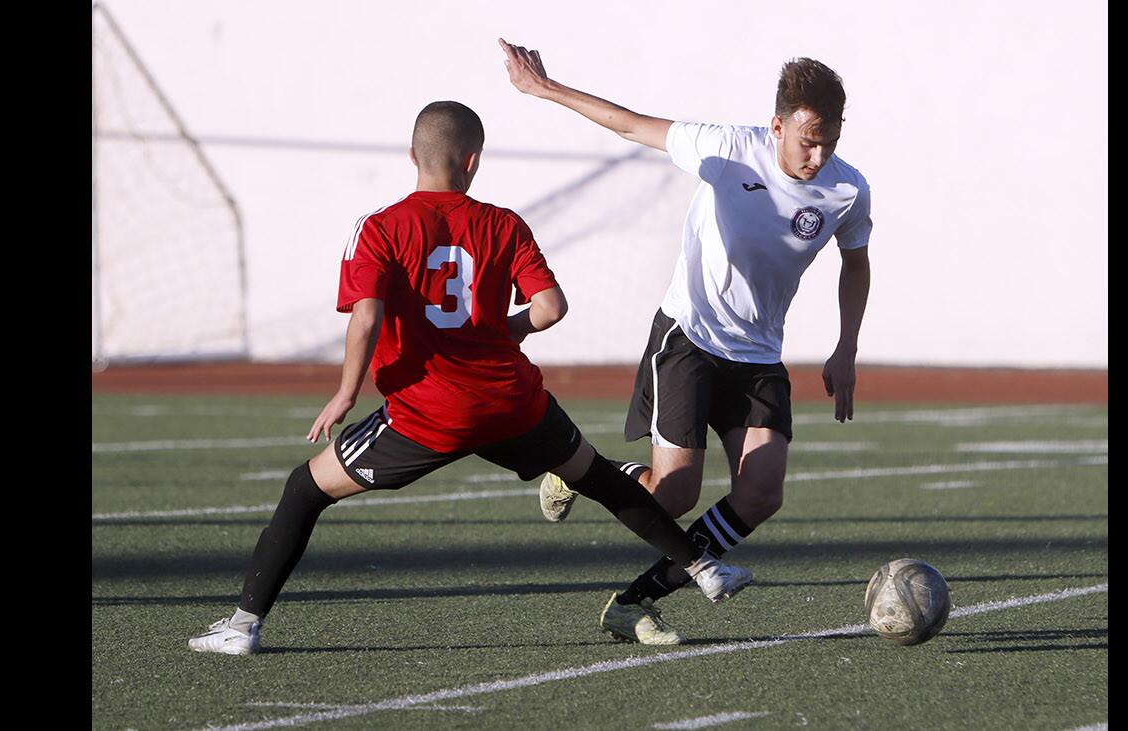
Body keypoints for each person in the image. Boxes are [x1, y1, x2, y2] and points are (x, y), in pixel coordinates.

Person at [188, 101, 752, 655]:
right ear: (474, 161)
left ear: (412, 154)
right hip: (513, 402)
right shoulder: (503, 223)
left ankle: (243, 625)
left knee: (304, 489)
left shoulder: (380, 226)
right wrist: (504, 333)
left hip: (428, 413)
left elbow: (366, 314)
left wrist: (345, 392)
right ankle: (702, 566)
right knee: (598, 477)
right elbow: (551, 307)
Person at [500, 39, 872, 644]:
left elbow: (856, 265)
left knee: (762, 492)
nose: (818, 153)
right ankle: (578, 471)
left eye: (830, 139)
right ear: (776, 125)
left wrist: (846, 347)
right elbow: (628, 124)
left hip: (758, 357)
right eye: (807, 139)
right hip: (690, 340)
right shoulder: (727, 148)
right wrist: (546, 88)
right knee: (673, 494)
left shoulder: (848, 190)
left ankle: (634, 601)